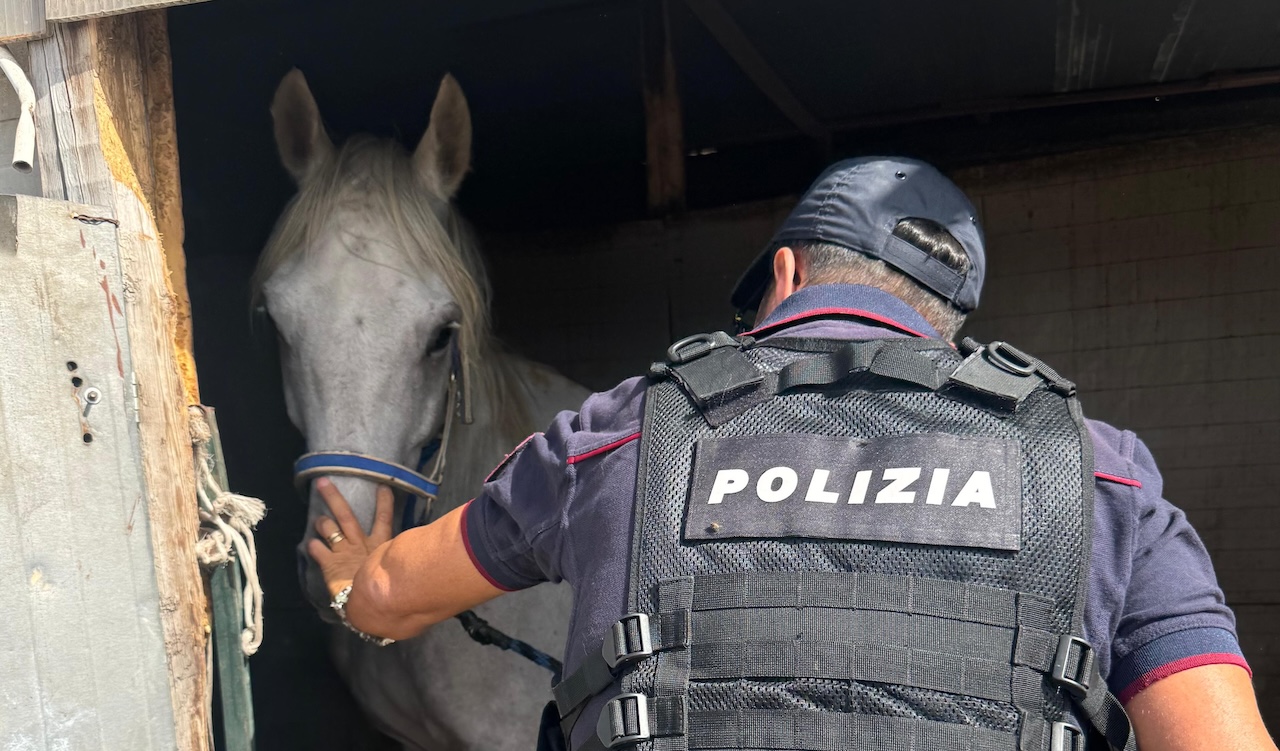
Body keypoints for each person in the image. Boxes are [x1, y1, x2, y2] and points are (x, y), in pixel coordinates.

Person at [307, 157, 1276, 751]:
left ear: (784, 273)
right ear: (947, 319)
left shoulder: (614, 439)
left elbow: (391, 594)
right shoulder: (1098, 478)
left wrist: (355, 571)